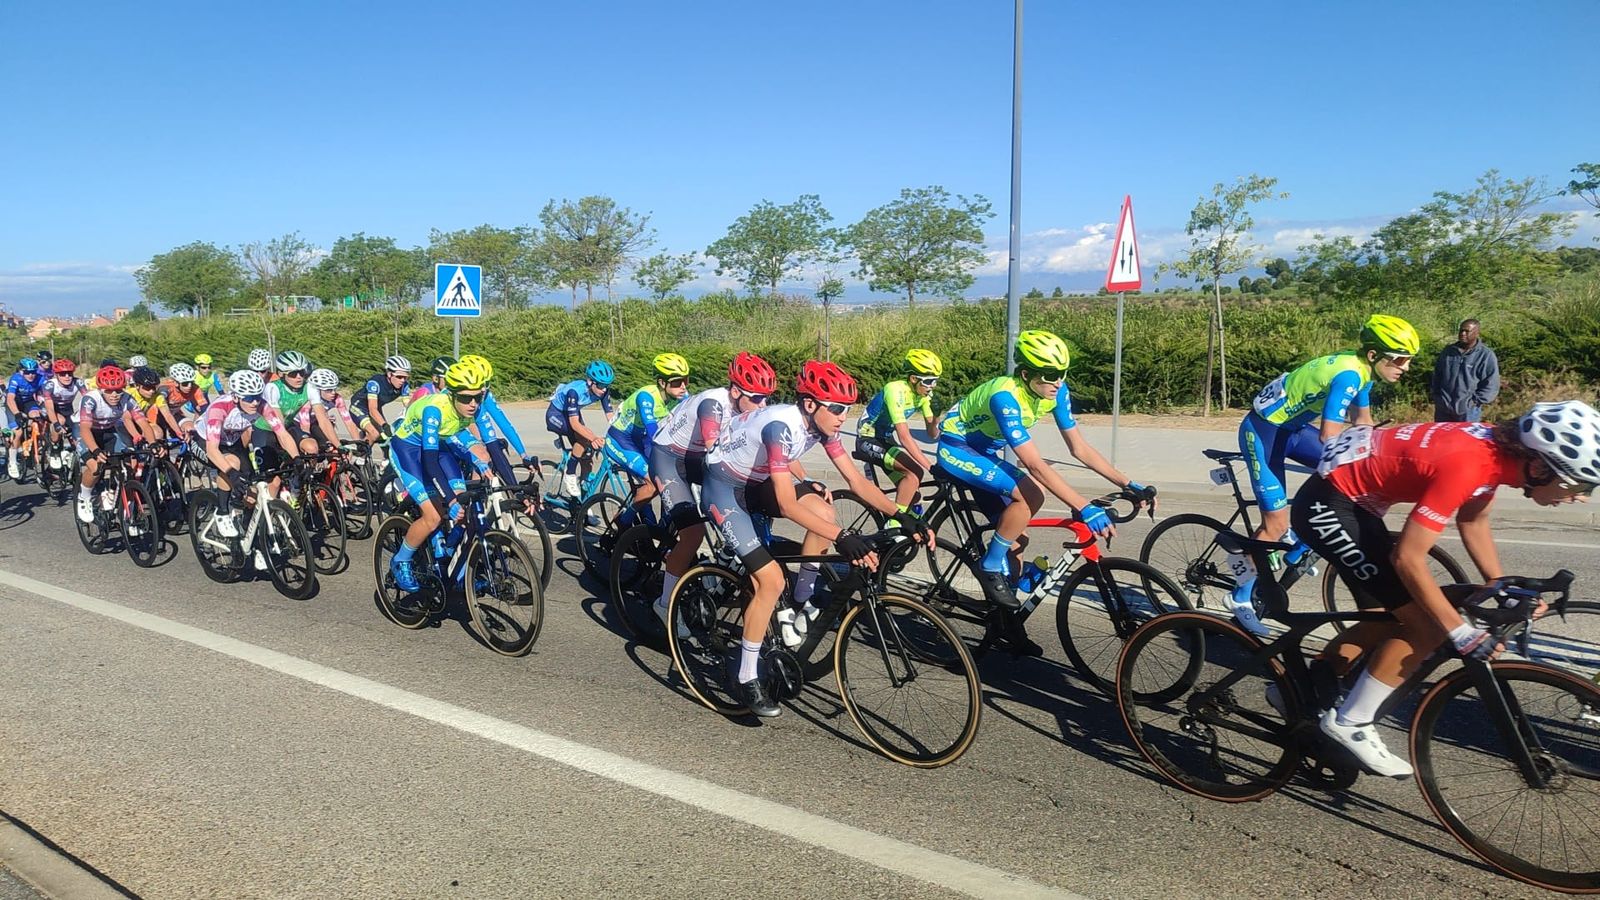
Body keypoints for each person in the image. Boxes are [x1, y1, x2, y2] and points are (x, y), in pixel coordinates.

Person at [1285, 401, 1600, 778]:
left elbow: (1473, 520)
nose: (1580, 497)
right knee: (1427, 626)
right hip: (1329, 507)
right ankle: (1351, 722)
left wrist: (1499, 585)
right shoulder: (1470, 464)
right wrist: (1460, 632)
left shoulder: (1495, 452)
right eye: (1577, 484)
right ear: (1538, 466)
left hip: (1353, 503)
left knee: (1405, 611)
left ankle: (1299, 688)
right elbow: (1408, 558)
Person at [702, 360, 924, 717]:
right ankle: (747, 677)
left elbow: (856, 481)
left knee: (824, 511)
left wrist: (903, 515)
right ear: (810, 404)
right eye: (836, 408)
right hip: (724, 488)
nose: (842, 417)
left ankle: (802, 599)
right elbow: (787, 505)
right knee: (771, 580)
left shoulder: (824, 429)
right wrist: (843, 537)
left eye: (847, 409)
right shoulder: (780, 428)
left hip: (754, 482)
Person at [935, 329, 1153, 655]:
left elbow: (1079, 448)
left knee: (1017, 542)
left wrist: (1127, 483)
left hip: (984, 452)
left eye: (1063, 373)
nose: (1058, 381)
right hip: (957, 448)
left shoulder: (1057, 393)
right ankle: (988, 566)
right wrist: (1084, 507)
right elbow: (1035, 465)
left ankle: (1006, 626)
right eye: (1050, 374)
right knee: (1032, 494)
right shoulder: (1005, 397)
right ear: (1026, 374)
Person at [1226, 314, 1421, 636]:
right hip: (1262, 433)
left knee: (1342, 483)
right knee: (1276, 524)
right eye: (1400, 359)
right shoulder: (1349, 375)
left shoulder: (1364, 371)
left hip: (1290, 430)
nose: (1406, 367)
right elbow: (1330, 435)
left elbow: (1363, 422)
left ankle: (1299, 542)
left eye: (1409, 360)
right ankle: (1240, 596)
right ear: (1375, 355)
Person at [648, 351, 776, 630]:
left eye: (767, 398)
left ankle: (718, 561)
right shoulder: (713, 405)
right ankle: (665, 604)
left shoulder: (749, 409)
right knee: (693, 535)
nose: (763, 405)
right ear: (735, 391)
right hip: (669, 459)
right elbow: (713, 450)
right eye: (757, 398)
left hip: (694, 460)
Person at [386, 360, 502, 592]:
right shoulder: (434, 410)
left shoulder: (472, 407)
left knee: (465, 505)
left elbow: (475, 442)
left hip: (437, 448)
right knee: (433, 516)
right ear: (452, 395)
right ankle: (401, 560)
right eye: (466, 398)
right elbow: (429, 462)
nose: (473, 404)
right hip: (408, 451)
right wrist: (450, 500)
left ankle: (454, 565)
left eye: (477, 397)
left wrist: (479, 461)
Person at [603, 352, 690, 534]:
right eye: (677, 382)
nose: (683, 387)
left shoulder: (682, 396)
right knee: (654, 482)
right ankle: (623, 520)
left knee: (672, 478)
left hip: (642, 441)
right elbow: (652, 431)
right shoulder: (646, 397)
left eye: (686, 380)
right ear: (662, 383)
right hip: (621, 440)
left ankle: (661, 525)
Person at [854, 349, 943, 515]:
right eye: (929, 381)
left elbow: (932, 435)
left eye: (935, 381)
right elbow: (904, 437)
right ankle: (895, 523)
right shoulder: (895, 390)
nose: (933, 386)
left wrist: (936, 416)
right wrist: (931, 467)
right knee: (916, 472)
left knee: (913, 495)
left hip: (886, 440)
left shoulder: (924, 396)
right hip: (867, 439)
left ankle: (906, 526)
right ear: (913, 378)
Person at [75, 366, 155, 524]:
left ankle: (120, 500)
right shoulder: (90, 399)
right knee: (96, 467)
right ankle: (84, 496)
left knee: (128, 465)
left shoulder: (127, 399)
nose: (114, 395)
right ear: (101, 389)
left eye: (118, 391)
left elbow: (143, 423)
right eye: (109, 391)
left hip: (108, 430)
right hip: (84, 431)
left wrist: (153, 444)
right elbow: (84, 429)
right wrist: (95, 450)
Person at [196, 371, 271, 539]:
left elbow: (282, 433)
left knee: (252, 487)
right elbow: (212, 450)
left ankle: (246, 528)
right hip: (206, 440)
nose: (255, 402)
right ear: (236, 397)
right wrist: (232, 474)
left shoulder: (261, 405)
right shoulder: (220, 408)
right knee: (231, 464)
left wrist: (296, 458)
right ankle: (222, 512)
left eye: (257, 397)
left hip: (231, 441)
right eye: (249, 398)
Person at [545, 360, 616, 498]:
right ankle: (570, 473)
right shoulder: (574, 392)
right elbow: (575, 424)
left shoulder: (603, 391)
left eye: (607, 385)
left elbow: (610, 417)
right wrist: (593, 438)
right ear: (590, 382)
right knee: (585, 438)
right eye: (601, 385)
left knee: (588, 455)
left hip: (573, 413)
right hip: (556, 415)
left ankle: (583, 500)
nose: (604, 389)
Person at [1431, 318, 1500, 423]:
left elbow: (1491, 384)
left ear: (1477, 333)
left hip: (1468, 412)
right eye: (1461, 330)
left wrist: (1473, 402)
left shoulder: (1485, 355)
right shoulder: (1448, 351)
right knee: (1440, 434)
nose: (1463, 334)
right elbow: (1437, 376)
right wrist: (1437, 397)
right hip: (1443, 409)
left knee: (1464, 434)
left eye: (1467, 331)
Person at [348, 355, 413, 441]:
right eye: (399, 377)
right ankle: (363, 447)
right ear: (389, 374)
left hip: (376, 408)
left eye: (405, 377)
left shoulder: (404, 386)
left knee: (385, 438)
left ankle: (365, 441)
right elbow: (372, 409)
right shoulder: (375, 383)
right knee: (375, 433)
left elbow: (408, 406)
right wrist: (384, 425)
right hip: (359, 407)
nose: (402, 380)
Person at [6, 357, 46, 478]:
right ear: (21, 371)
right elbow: (10, 399)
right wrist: (17, 414)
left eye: (33, 372)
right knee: (18, 433)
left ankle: (35, 444)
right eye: (27, 372)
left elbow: (46, 394)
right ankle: (12, 461)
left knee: (38, 418)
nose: (31, 375)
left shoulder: (40, 378)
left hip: (28, 402)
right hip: (14, 404)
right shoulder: (16, 378)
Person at [41, 358, 85, 467]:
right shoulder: (50, 385)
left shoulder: (78, 382)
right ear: (56, 375)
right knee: (60, 422)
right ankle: (54, 450)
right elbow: (50, 408)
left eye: (69, 374)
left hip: (67, 409)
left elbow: (88, 397)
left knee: (76, 435)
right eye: (62, 374)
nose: (67, 376)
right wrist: (56, 424)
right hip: (51, 408)